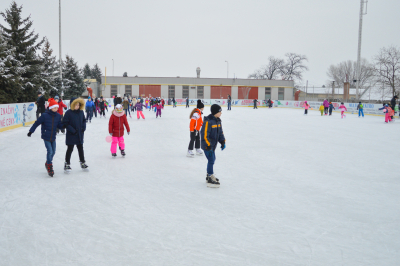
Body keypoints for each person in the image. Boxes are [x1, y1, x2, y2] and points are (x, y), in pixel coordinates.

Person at [27, 98, 64, 177]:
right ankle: (49, 166)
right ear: (50, 108)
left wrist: (65, 126)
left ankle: (47, 162)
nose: (56, 109)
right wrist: (31, 131)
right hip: (46, 136)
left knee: (53, 152)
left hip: (53, 136)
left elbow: (59, 125)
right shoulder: (44, 115)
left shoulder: (57, 115)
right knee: (50, 151)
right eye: (54, 107)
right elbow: (36, 123)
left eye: (57, 107)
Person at [201, 104, 225, 188]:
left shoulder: (218, 121)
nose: (221, 113)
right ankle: (210, 177)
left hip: (212, 145)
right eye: (219, 111)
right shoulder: (208, 121)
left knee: (213, 159)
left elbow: (220, 133)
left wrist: (222, 141)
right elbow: (204, 134)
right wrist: (208, 145)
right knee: (211, 160)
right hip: (207, 145)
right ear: (215, 112)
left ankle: (209, 175)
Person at [62, 97, 88, 172]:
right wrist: (73, 131)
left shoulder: (81, 112)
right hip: (71, 134)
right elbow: (65, 123)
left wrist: (83, 128)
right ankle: (67, 163)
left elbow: (84, 120)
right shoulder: (68, 113)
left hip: (79, 134)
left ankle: (82, 162)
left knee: (80, 148)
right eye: (76, 105)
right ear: (72, 105)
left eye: (79, 105)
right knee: (70, 149)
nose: (77, 106)